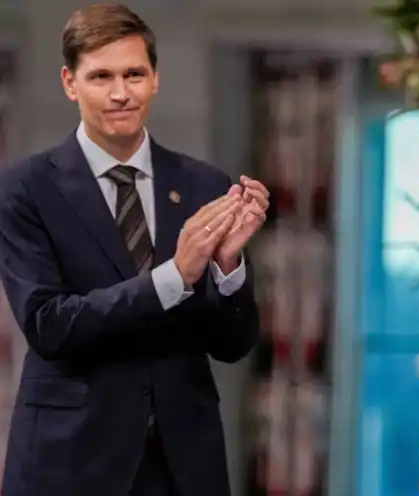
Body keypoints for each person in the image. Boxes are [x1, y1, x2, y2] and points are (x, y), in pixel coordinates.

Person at [0, 4, 268, 495]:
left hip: (183, 463)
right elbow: (49, 325)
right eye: (101, 76)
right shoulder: (25, 188)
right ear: (69, 83)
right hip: (71, 460)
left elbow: (233, 347)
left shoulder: (203, 184)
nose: (121, 93)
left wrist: (228, 267)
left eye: (134, 74)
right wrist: (175, 276)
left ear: (155, 79)